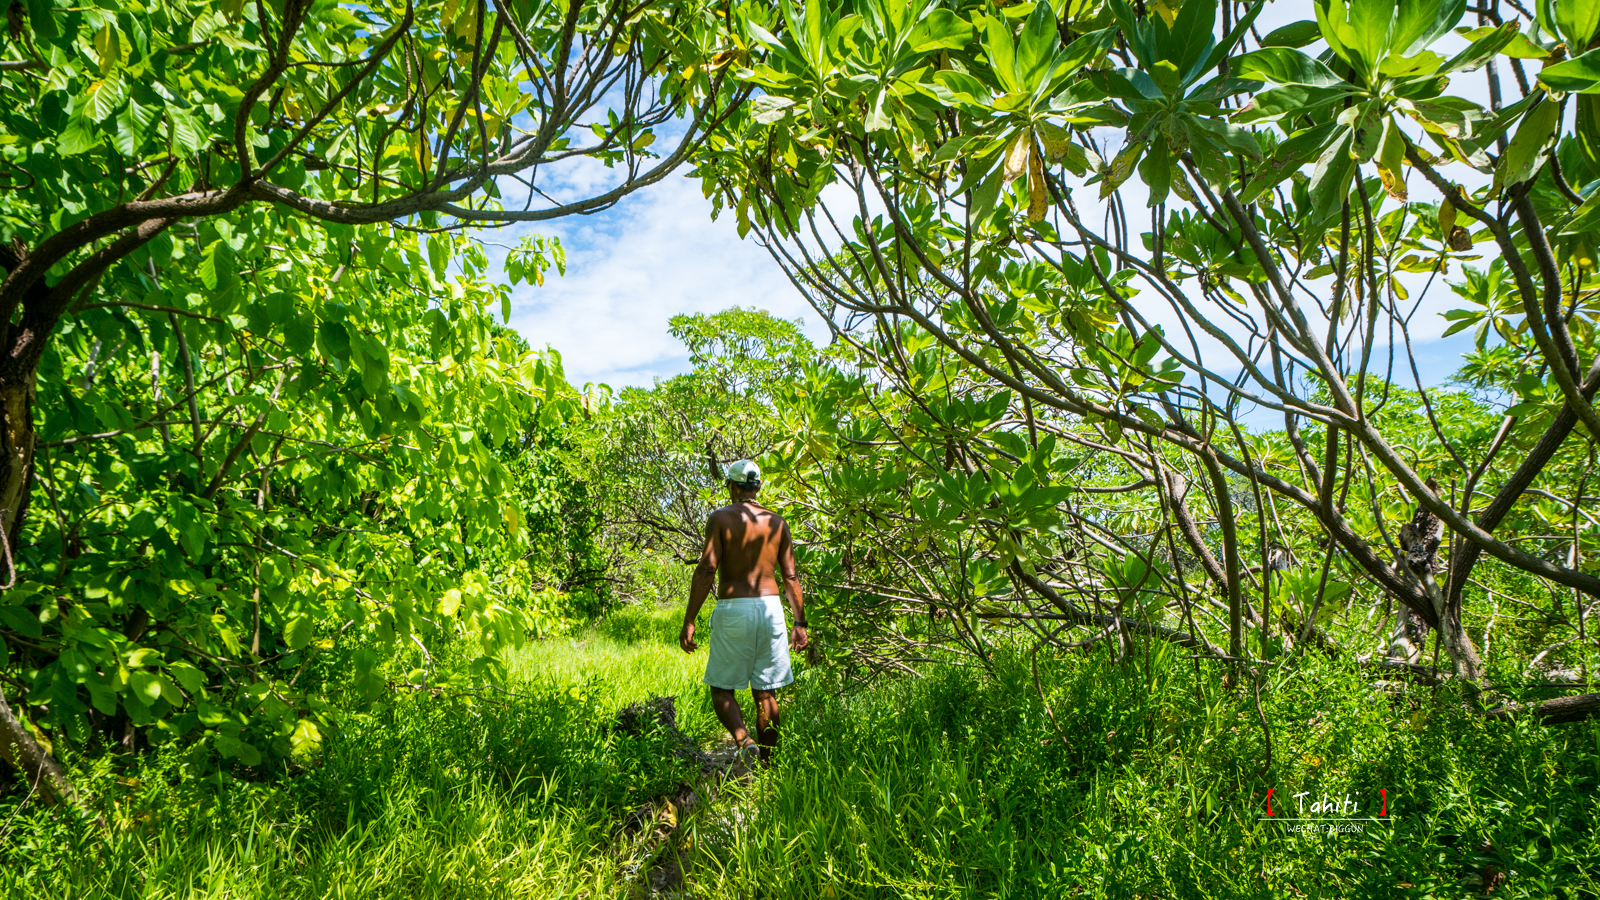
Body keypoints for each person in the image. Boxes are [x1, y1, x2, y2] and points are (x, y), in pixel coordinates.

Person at [680, 459, 807, 766]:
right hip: (770, 609)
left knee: (722, 690)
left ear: (733, 487)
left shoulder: (721, 518)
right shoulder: (778, 523)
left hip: (734, 607)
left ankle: (743, 739)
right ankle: (768, 765)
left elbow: (707, 568)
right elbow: (790, 577)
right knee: (766, 693)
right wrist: (800, 622)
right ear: (758, 486)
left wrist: (690, 619)